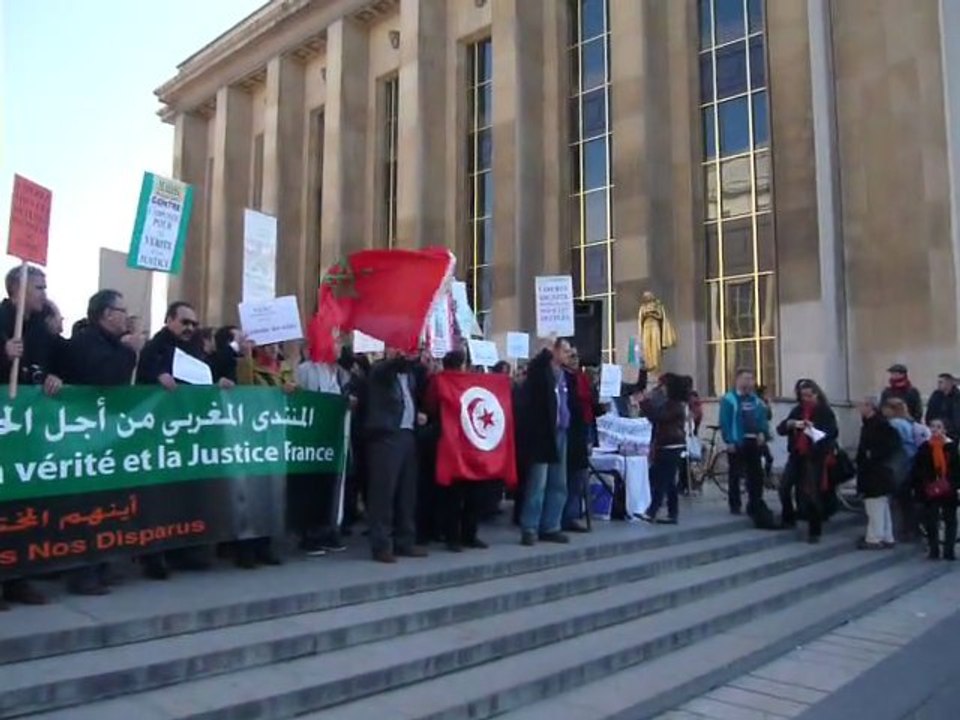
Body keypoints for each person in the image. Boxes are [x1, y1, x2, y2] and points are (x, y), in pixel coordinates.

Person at [136, 301, 226, 579]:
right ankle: (153, 556)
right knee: (157, 499)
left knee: (184, 496)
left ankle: (184, 551)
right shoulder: (154, 348)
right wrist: (156, 376)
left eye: (193, 323)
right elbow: (140, 380)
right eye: (184, 322)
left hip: (188, 436)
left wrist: (218, 384)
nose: (189, 328)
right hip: (158, 436)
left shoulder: (196, 350)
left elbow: (204, 379)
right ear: (169, 320)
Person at [66, 290, 145, 593]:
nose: (126, 316)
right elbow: (106, 377)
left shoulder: (111, 343)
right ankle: (82, 572)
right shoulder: (88, 341)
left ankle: (101, 565)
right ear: (106, 314)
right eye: (121, 310)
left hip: (107, 437)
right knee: (86, 507)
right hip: (84, 436)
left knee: (106, 504)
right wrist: (129, 352)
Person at [0, 266, 62, 610]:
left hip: (29, 433)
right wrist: (3, 353)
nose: (44, 293)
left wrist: (55, 376)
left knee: (25, 508)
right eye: (39, 287)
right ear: (16, 291)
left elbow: (61, 361)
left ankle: (18, 579)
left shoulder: (41, 328)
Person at [234, 344, 295, 568]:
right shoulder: (249, 367)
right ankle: (245, 549)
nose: (271, 349)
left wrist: (292, 389)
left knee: (270, 493)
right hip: (252, 438)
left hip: (275, 438)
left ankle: (265, 546)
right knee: (250, 494)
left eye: (275, 345)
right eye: (266, 346)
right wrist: (247, 356)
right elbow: (244, 387)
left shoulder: (284, 370)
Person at [365, 348, 429, 563]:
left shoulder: (409, 375)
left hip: (407, 434)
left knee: (407, 493)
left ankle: (405, 540)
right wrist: (404, 355)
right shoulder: (380, 371)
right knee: (384, 493)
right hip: (386, 436)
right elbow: (393, 366)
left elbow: (416, 377)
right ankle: (381, 544)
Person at [423, 350, 490, 552]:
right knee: (458, 493)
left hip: (463, 442)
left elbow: (430, 405)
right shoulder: (442, 382)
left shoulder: (453, 381)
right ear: (461, 364)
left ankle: (462, 535)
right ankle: (458, 536)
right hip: (455, 443)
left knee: (462, 493)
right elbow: (432, 406)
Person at [294, 345, 352, 555]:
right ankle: (309, 534)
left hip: (332, 437)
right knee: (310, 486)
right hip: (310, 437)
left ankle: (328, 531)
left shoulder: (341, 374)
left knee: (330, 485)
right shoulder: (306, 369)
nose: (336, 349)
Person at [518, 338, 574, 546]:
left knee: (558, 482)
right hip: (543, 434)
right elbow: (534, 368)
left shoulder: (565, 376)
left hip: (561, 432)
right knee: (538, 483)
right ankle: (530, 527)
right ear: (555, 351)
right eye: (565, 351)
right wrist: (545, 352)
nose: (569, 355)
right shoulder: (541, 373)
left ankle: (551, 525)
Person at [777, 380, 839, 543]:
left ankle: (814, 531)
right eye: (803, 395)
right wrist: (790, 424)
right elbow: (781, 429)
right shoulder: (798, 410)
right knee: (784, 486)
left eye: (809, 395)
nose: (806, 399)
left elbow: (830, 434)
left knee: (812, 493)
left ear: (816, 394)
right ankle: (788, 518)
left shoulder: (824, 412)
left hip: (814, 456)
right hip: (797, 454)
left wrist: (812, 429)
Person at [719, 369, 771, 520]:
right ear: (737, 380)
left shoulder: (755, 400)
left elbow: (762, 418)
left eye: (751, 379)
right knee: (735, 473)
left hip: (753, 441)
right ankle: (735, 504)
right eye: (745, 379)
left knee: (755, 474)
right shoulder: (729, 399)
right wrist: (729, 440)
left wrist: (762, 432)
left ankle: (755, 502)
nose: (748, 382)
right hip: (737, 441)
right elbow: (725, 421)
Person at [639, 373, 690, 524]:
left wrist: (645, 402)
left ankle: (652, 511)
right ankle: (671, 513)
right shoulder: (670, 403)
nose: (662, 389)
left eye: (664, 386)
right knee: (667, 481)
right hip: (666, 445)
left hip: (671, 445)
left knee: (661, 480)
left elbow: (658, 416)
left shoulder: (675, 405)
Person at [855, 398, 901, 550]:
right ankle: (887, 536)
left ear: (870, 407)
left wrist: (872, 455)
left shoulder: (878, 425)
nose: (859, 408)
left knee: (874, 504)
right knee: (881, 504)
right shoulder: (874, 424)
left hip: (875, 472)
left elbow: (892, 444)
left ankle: (875, 537)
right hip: (878, 470)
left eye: (861, 405)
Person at [911, 419, 959, 561]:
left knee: (950, 520)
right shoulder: (925, 447)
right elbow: (918, 469)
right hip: (930, 489)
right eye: (932, 427)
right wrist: (922, 486)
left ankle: (949, 550)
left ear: (944, 429)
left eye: (938, 427)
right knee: (931, 520)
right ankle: (934, 549)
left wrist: (953, 484)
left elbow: (956, 468)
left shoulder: (951, 447)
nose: (935, 430)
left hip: (948, 488)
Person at [883, 397, 928, 541]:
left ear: (892, 409)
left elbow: (892, 445)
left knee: (900, 500)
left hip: (899, 465)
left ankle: (904, 530)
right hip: (911, 464)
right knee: (907, 500)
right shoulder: (910, 422)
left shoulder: (895, 424)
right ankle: (912, 530)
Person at [562, 347, 593, 533]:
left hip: (582, 428)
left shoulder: (580, 377)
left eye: (576, 356)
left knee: (576, 477)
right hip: (569, 431)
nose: (575, 360)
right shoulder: (564, 378)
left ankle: (571, 515)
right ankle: (565, 516)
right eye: (571, 356)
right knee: (567, 478)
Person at [925, 373, 960, 440]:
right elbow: (930, 411)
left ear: (948, 383)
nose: (938, 384)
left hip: (952, 433)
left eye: (941, 382)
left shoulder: (957, 397)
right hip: (935, 430)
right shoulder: (936, 395)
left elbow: (956, 416)